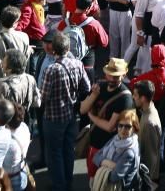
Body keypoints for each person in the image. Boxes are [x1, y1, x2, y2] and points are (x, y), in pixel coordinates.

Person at [40, 31, 91, 191]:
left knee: (54, 153)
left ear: (53, 50)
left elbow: (44, 97)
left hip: (53, 117)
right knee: (69, 150)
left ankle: (59, 186)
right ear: (68, 47)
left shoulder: (52, 70)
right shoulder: (77, 64)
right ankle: (68, 183)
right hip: (71, 115)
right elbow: (87, 87)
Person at [90, 108, 141, 190]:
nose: (123, 129)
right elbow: (96, 156)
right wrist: (108, 163)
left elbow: (114, 177)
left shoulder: (129, 152)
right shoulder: (116, 139)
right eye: (120, 125)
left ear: (134, 128)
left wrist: (102, 166)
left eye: (128, 126)